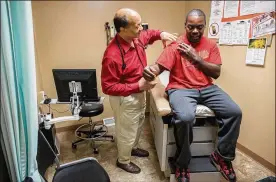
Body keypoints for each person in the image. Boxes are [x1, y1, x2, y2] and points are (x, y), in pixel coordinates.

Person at [143, 9, 242, 182]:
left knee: (234, 112)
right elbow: (158, 67)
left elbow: (216, 72)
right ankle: (182, 163)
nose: (195, 31)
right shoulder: (176, 45)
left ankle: (222, 156)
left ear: (204, 26)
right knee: (186, 117)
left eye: (199, 27)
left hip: (207, 88)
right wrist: (150, 71)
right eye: (191, 27)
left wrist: (196, 58)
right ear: (185, 26)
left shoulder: (211, 45)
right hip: (180, 88)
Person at [101, 8, 177, 174]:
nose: (141, 28)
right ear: (122, 29)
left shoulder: (137, 37)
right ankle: (123, 160)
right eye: (137, 26)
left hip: (139, 93)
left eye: (141, 24)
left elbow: (151, 34)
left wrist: (162, 34)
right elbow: (108, 87)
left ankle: (132, 148)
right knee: (126, 131)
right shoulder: (112, 55)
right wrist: (138, 86)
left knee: (137, 125)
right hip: (125, 98)